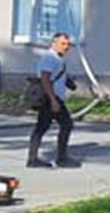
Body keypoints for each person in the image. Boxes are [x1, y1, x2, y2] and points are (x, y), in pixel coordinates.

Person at [28, 32, 81, 169]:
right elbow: (45, 79)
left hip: (51, 98)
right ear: (54, 43)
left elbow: (57, 76)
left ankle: (33, 159)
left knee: (41, 127)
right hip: (51, 98)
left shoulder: (57, 59)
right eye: (63, 44)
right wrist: (53, 100)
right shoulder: (50, 58)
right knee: (66, 124)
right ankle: (61, 158)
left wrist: (70, 84)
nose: (66, 47)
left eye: (68, 44)